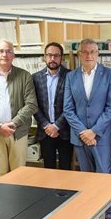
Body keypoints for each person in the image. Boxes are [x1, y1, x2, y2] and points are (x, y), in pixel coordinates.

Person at [64, 38, 111, 219]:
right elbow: (68, 109)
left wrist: (94, 131)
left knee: (104, 176)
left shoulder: (109, 75)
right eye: (85, 52)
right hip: (79, 137)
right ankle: (90, 215)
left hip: (101, 137)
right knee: (85, 178)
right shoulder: (71, 77)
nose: (89, 55)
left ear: (98, 54)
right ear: (79, 54)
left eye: (93, 52)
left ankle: (110, 215)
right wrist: (83, 132)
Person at [0, 39, 38, 178]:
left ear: (13, 55)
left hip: (18, 132)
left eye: (8, 51)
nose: (4, 54)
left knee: (19, 173)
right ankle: (3, 201)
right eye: (1, 51)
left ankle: (20, 200)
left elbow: (31, 104)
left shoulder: (24, 75)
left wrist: (13, 123)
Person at [32, 42, 73, 170]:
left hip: (65, 131)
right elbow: (33, 104)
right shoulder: (35, 78)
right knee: (48, 169)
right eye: (49, 55)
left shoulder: (71, 76)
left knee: (65, 169)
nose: (52, 59)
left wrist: (57, 126)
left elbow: (73, 104)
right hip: (45, 132)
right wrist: (47, 125)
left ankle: (64, 191)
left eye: (56, 55)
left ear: (62, 58)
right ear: (44, 57)